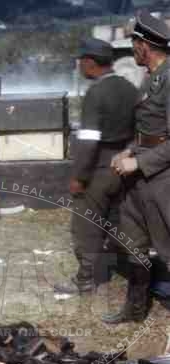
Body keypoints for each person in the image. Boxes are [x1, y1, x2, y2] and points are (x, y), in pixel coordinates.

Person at [55, 38, 138, 295]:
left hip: (98, 169)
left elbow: (89, 140)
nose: (79, 66)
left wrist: (79, 176)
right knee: (118, 221)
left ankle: (85, 280)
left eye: (81, 61)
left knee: (86, 226)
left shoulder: (96, 93)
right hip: (124, 166)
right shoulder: (129, 88)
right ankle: (129, 270)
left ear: (90, 62)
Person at [105, 11, 170, 324]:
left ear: (145, 45)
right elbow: (148, 129)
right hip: (138, 179)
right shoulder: (151, 76)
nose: (132, 48)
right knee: (134, 244)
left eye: (134, 43)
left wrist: (139, 162)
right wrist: (128, 151)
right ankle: (134, 310)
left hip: (162, 178)